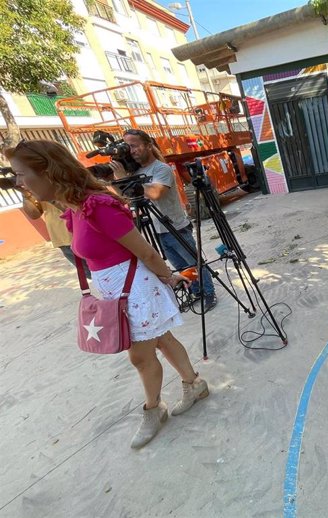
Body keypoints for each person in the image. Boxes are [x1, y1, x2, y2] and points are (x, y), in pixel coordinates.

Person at [5, 140, 210, 449]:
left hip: (136, 288)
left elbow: (146, 251)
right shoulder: (74, 206)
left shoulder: (97, 205)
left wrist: (169, 278)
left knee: (140, 357)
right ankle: (194, 384)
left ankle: (154, 410)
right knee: (163, 339)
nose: (18, 182)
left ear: (48, 171)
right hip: (117, 289)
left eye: (21, 174)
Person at [117, 129, 217, 311]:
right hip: (156, 229)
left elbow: (155, 193)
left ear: (148, 145)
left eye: (135, 145)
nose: (131, 151)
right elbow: (125, 197)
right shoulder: (135, 172)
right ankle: (197, 292)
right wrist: (119, 180)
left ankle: (209, 292)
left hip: (175, 227)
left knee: (194, 263)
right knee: (180, 266)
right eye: (127, 147)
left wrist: (126, 179)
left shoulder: (161, 169)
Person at [18, 189, 90, 277]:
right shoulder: (32, 186)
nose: (18, 180)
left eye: (20, 175)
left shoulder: (62, 178)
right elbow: (34, 214)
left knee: (105, 269)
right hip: (62, 237)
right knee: (90, 274)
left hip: (85, 230)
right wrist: (26, 195)